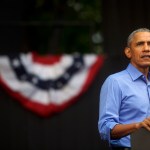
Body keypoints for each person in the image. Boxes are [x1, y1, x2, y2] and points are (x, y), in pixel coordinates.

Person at [98, 28, 150, 150]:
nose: (147, 48)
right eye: (140, 44)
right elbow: (105, 129)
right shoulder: (115, 82)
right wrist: (137, 126)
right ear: (128, 52)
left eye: (149, 44)